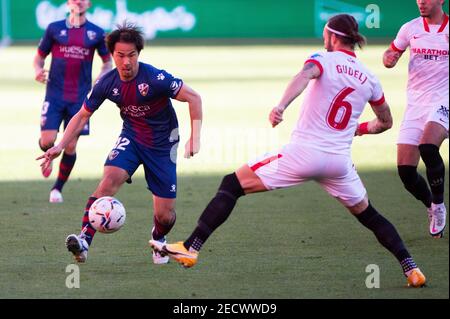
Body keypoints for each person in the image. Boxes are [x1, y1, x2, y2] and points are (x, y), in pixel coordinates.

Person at [151, 14, 427, 288]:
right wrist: (359, 128)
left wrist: (281, 106)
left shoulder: (323, 59)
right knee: (370, 215)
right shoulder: (370, 78)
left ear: (332, 36)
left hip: (304, 155)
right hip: (339, 163)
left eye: (325, 34)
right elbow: (386, 122)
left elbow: (304, 76)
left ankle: (191, 247)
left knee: (231, 184)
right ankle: (412, 269)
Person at [37, 22, 203, 265]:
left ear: (139, 54)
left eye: (132, 55)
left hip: (162, 146)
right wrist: (60, 145)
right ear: (112, 55)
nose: (126, 62)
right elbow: (82, 115)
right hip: (132, 137)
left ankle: (158, 239)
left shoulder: (156, 78)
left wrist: (195, 137)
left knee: (165, 215)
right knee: (108, 180)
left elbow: (194, 97)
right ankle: (84, 242)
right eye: (120, 55)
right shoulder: (107, 83)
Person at [33, 0, 112, 203]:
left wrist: (101, 78)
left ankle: (57, 189)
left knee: (70, 145)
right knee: (47, 141)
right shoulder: (54, 29)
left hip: (80, 99)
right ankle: (49, 154)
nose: (79, 1)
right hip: (54, 95)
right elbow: (38, 58)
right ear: (68, 2)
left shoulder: (96, 33)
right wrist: (38, 71)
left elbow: (107, 63)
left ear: (89, 3)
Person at [383, 0, 448, 238]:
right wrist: (389, 58)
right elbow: (392, 52)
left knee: (428, 146)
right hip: (416, 104)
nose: (421, 2)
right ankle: (431, 205)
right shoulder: (410, 28)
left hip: (444, 99)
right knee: (406, 172)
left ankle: (440, 206)